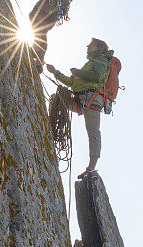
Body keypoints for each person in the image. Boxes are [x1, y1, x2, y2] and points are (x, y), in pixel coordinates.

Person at [47, 38, 114, 179]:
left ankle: (91, 168)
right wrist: (55, 72)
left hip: (92, 101)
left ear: (99, 48)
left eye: (91, 45)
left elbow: (96, 77)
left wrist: (78, 73)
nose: (88, 46)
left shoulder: (101, 60)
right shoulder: (89, 63)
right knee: (57, 96)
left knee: (93, 132)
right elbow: (71, 82)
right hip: (81, 100)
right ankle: (50, 126)